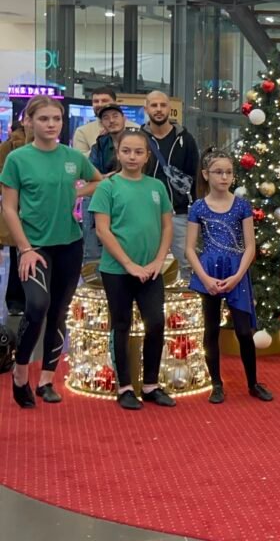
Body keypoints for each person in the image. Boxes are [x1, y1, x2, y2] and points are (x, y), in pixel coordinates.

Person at [1, 95, 101, 408]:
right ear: (29, 121)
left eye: (56, 119)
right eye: (43, 118)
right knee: (36, 306)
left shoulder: (72, 157)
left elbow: (98, 181)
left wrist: (77, 192)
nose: (51, 124)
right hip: (34, 246)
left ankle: (46, 380)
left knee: (59, 311)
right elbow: (9, 208)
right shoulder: (18, 159)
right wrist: (25, 249)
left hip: (70, 244)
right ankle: (20, 372)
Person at [90, 129, 177, 409]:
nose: (132, 156)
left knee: (156, 322)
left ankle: (151, 385)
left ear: (147, 156)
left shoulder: (157, 187)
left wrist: (158, 261)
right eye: (126, 151)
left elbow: (167, 226)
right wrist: (128, 264)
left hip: (151, 270)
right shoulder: (108, 187)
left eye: (138, 152)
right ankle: (125, 387)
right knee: (121, 324)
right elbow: (102, 230)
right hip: (117, 270)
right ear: (118, 153)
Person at [185, 149, 272, 404]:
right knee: (211, 329)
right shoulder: (198, 207)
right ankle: (216, 384)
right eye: (218, 172)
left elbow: (250, 246)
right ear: (206, 174)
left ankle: (253, 383)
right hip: (209, 272)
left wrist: (237, 276)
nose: (224, 177)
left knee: (244, 331)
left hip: (236, 271)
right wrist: (205, 278)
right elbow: (189, 248)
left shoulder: (242, 205)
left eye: (228, 172)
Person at [141, 90, 199, 282]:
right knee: (146, 263)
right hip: (146, 214)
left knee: (187, 264)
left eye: (163, 105)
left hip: (179, 214)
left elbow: (195, 177)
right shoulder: (140, 139)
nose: (158, 109)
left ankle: (187, 300)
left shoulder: (185, 139)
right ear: (146, 109)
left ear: (169, 108)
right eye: (154, 105)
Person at [83, 104, 129, 262]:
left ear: (124, 119)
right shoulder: (100, 145)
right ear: (102, 123)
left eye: (115, 116)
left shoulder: (136, 140)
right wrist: (107, 177)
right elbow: (90, 176)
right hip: (104, 198)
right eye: (106, 118)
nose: (111, 121)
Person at [0, 115, 30, 319]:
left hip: (37, 211)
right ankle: (17, 301)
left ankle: (19, 301)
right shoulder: (9, 146)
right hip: (17, 208)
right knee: (19, 255)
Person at [72, 87, 139, 155]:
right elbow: (80, 159)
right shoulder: (82, 132)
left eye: (104, 101)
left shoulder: (136, 129)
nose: (100, 104)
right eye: (96, 101)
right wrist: (100, 144)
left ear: (115, 103)